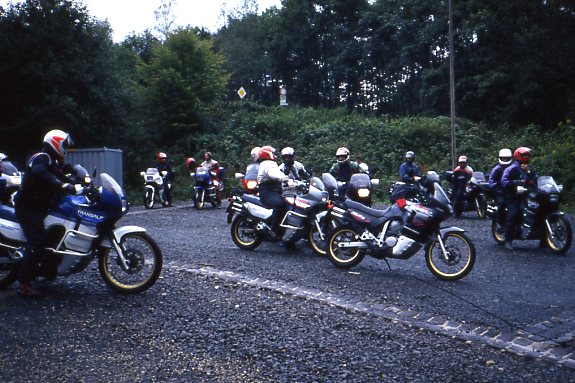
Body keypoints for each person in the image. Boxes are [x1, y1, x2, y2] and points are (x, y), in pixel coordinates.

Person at [14, 129, 75, 298]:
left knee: (54, 237)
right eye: (64, 145)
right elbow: (39, 172)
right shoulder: (40, 157)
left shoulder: (53, 162)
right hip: (28, 208)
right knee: (38, 242)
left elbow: (60, 177)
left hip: (40, 207)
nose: (65, 149)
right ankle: (24, 284)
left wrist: (77, 185)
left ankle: (47, 270)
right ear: (55, 143)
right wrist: (59, 183)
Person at [501, 147, 538, 250]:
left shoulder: (529, 168)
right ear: (519, 156)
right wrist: (520, 182)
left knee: (540, 211)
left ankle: (544, 239)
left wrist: (529, 173)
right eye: (525, 155)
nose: (528, 157)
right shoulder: (511, 169)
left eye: (528, 155)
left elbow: (536, 180)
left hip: (528, 195)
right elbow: (504, 182)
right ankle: (508, 240)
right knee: (513, 214)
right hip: (514, 196)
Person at [257, 146, 291, 236]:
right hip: (268, 191)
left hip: (274, 190)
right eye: (273, 153)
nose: (275, 155)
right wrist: (283, 178)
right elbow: (273, 173)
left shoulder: (271, 163)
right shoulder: (266, 164)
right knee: (280, 204)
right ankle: (274, 228)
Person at [488, 148, 513, 232]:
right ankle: (499, 222)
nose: (505, 160)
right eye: (503, 158)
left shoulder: (514, 168)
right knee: (502, 204)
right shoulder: (497, 169)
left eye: (507, 158)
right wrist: (497, 188)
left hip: (511, 191)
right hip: (499, 191)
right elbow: (491, 181)